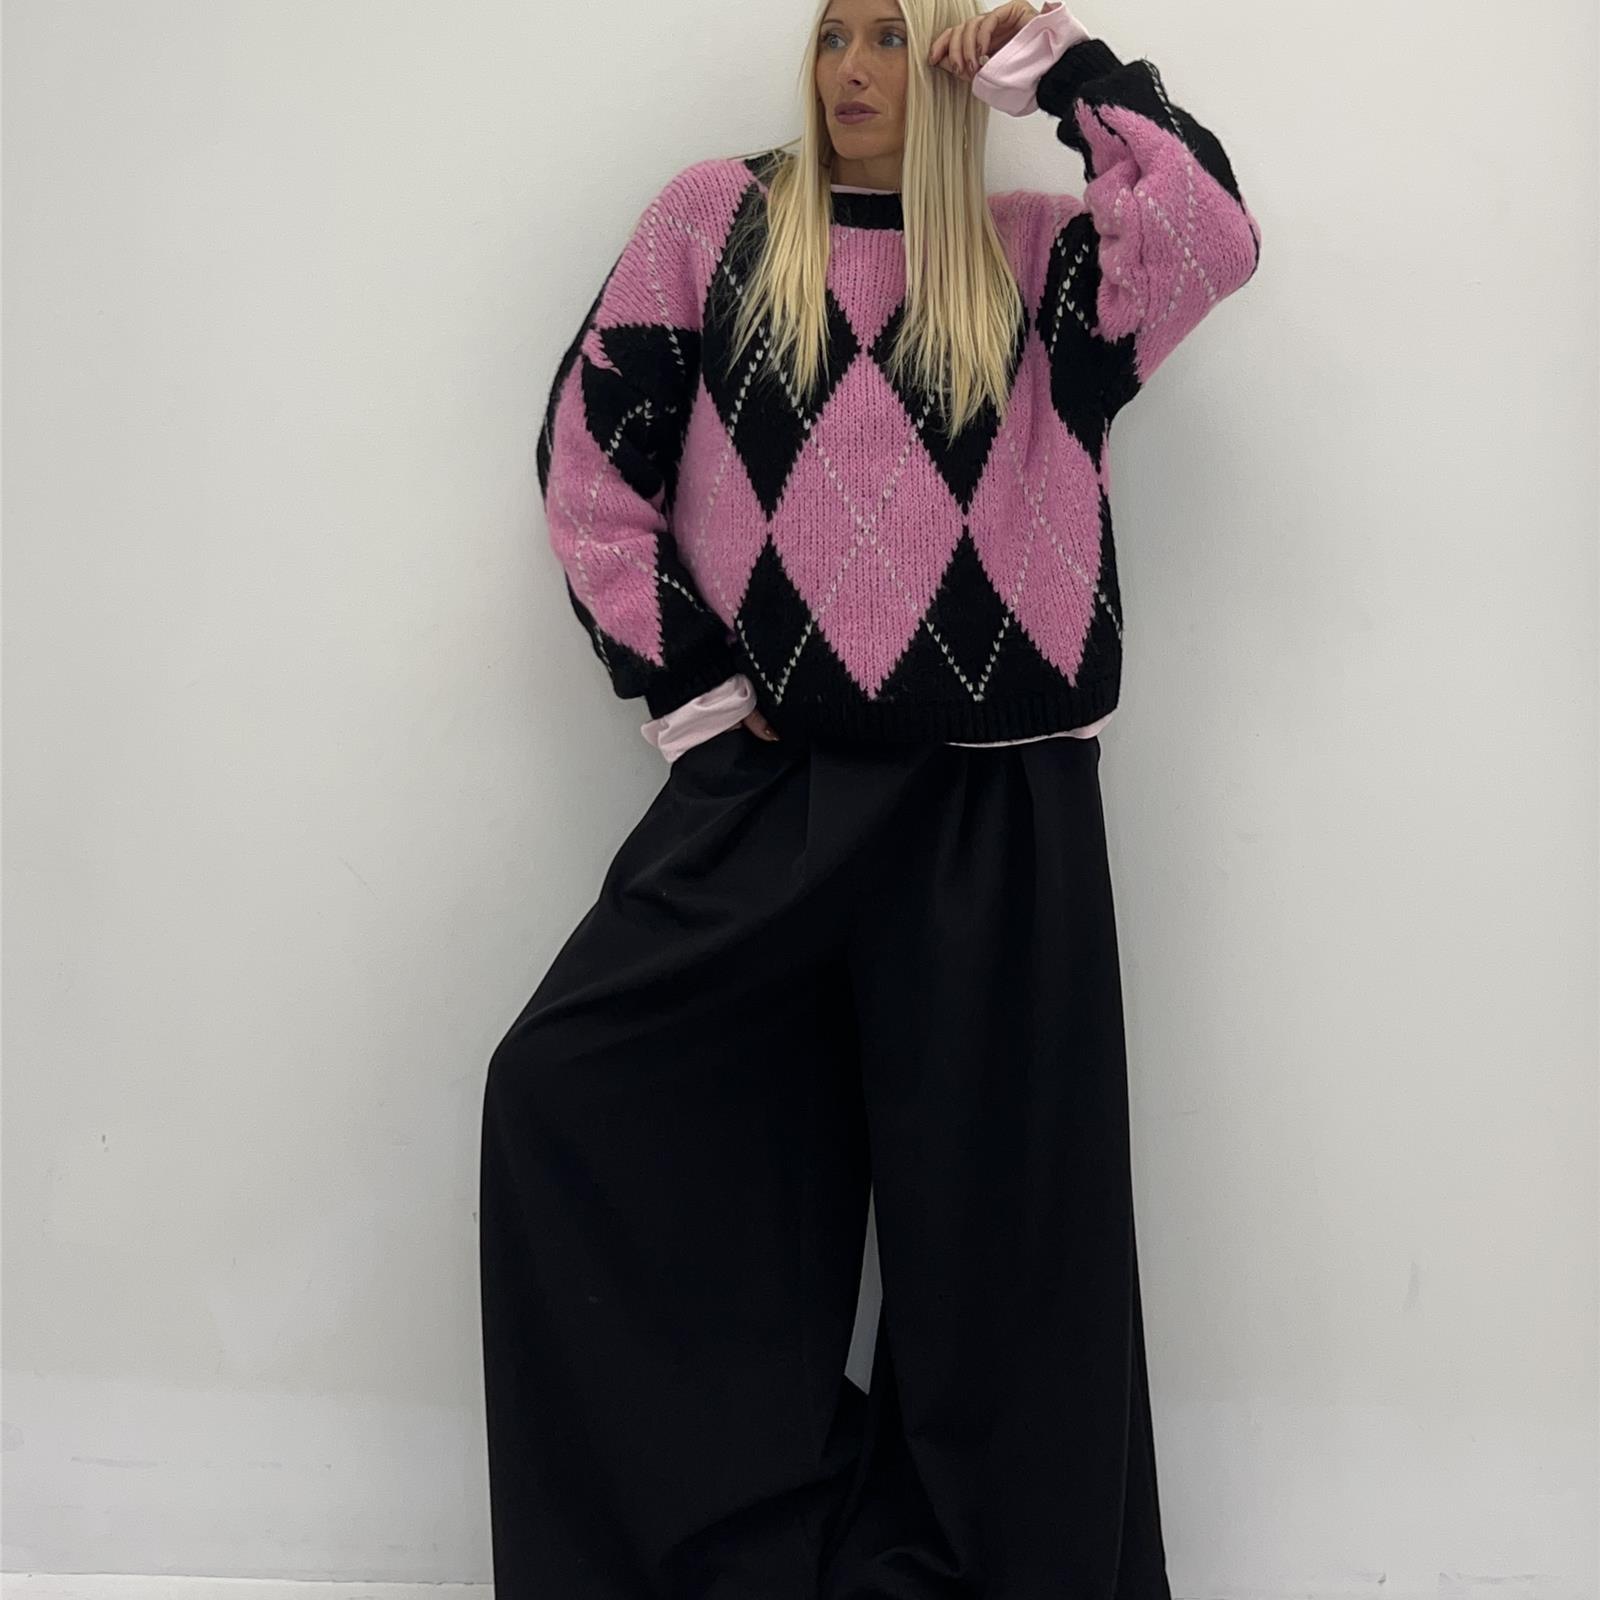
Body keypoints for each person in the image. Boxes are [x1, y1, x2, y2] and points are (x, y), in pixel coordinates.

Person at [478, 0, 1261, 1594]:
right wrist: (697, 687)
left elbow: (1211, 233)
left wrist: (1063, 67)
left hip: (1000, 809)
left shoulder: (1044, 261)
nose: (852, 68)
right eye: (837, 32)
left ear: (956, 60)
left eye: (897, 38)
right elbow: (590, 456)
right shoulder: (718, 221)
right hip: (774, 793)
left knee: (1006, 1242)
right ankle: (744, 1549)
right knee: (564, 1092)